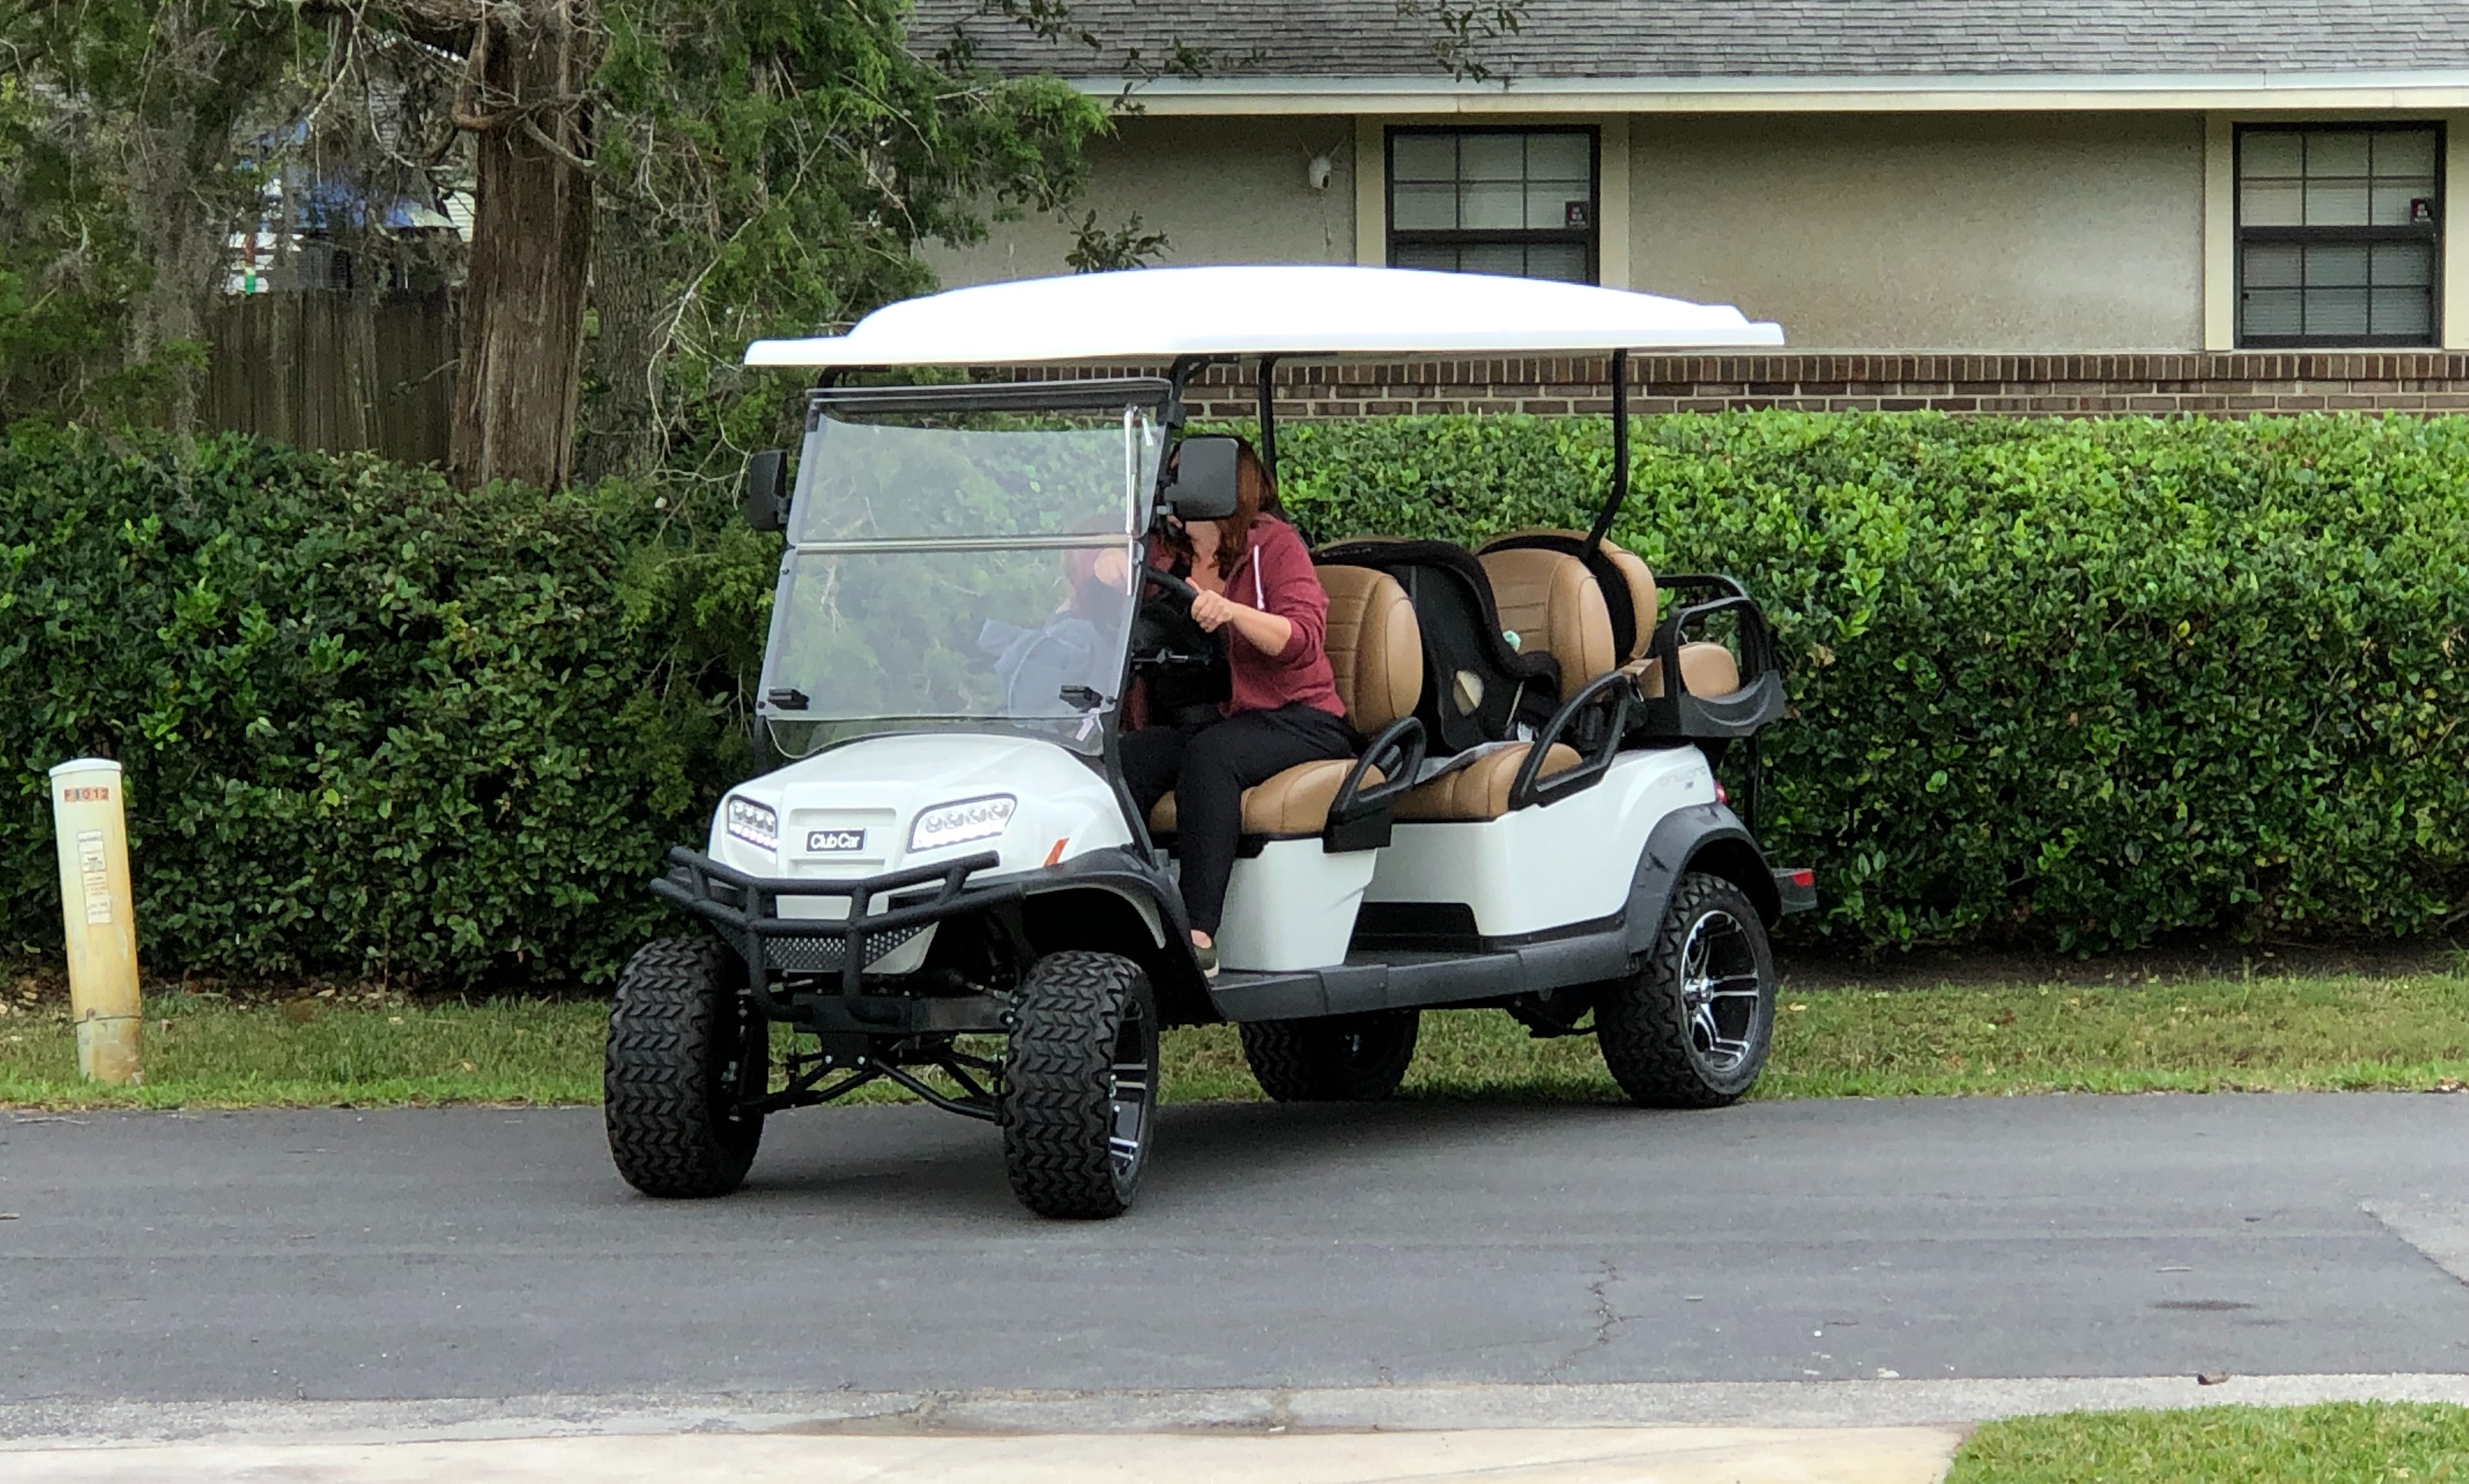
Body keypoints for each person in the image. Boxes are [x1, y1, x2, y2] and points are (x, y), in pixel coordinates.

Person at [1110, 439, 1354, 977]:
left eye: (1181, 476)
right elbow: (1105, 578)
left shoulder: (1275, 545)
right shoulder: (1167, 553)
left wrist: (1233, 612)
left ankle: (1198, 934)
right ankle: (1117, 920)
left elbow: (1300, 638)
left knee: (1212, 757)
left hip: (1303, 717)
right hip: (1223, 717)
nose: (1171, 490)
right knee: (1129, 758)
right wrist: (1102, 567)